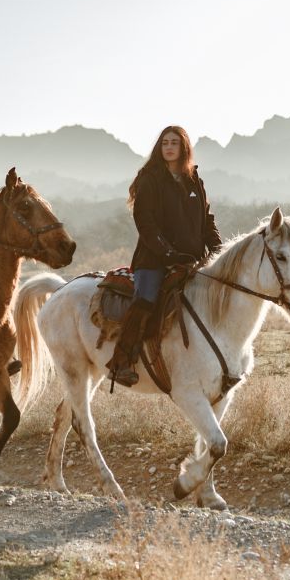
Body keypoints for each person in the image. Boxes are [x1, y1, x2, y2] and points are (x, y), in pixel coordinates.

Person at [107, 125, 222, 387]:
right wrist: (168, 253)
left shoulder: (195, 181)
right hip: (153, 259)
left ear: (184, 148)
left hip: (192, 260)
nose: (169, 147)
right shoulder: (149, 178)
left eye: (174, 143)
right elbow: (145, 223)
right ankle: (121, 362)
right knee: (146, 298)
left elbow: (207, 221)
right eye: (165, 143)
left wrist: (218, 250)